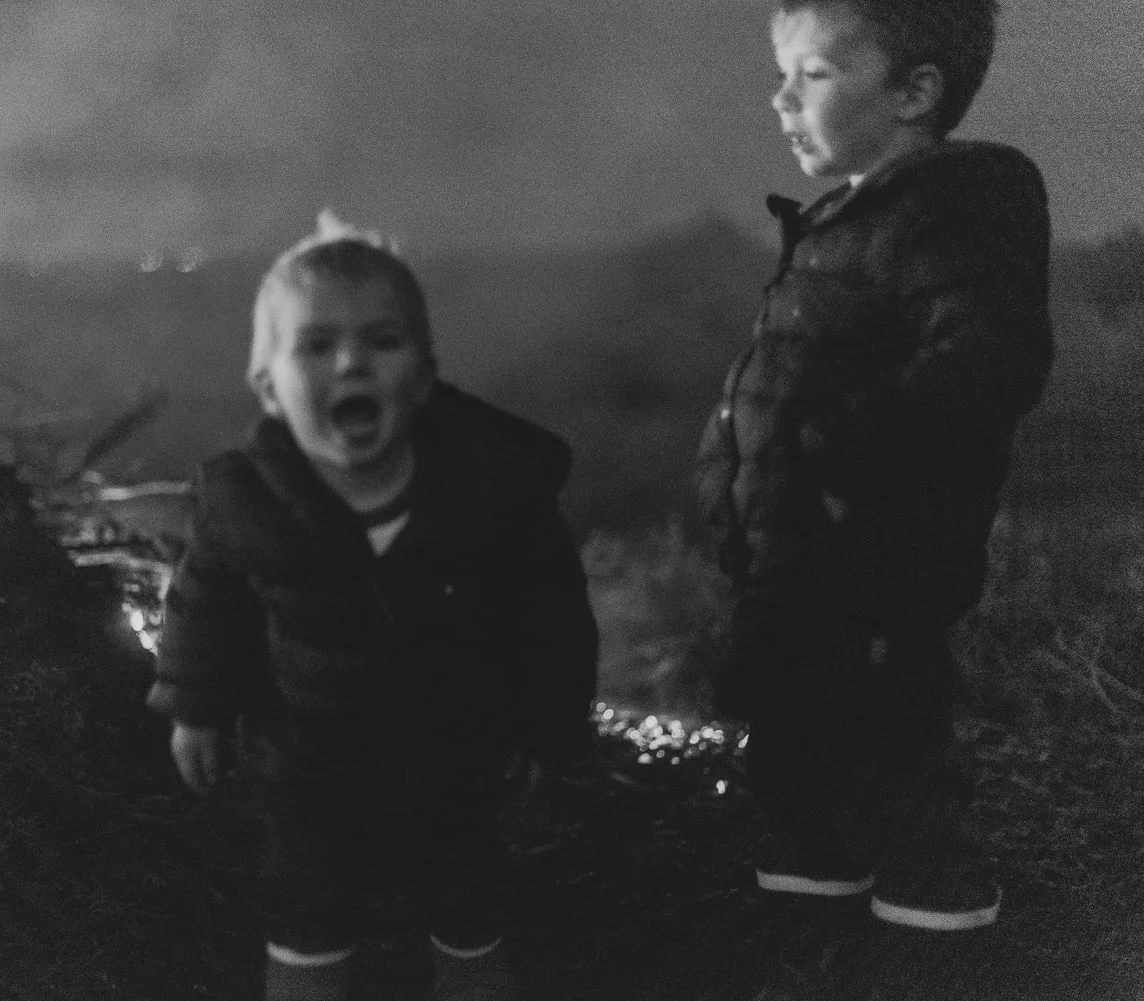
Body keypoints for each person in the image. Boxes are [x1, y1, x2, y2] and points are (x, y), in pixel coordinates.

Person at [147, 211, 599, 1000]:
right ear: (269, 387)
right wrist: (197, 708)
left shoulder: (493, 493)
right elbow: (206, 602)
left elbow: (551, 616)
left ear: (423, 376)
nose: (351, 361)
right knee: (305, 903)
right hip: (308, 761)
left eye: (382, 341)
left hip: (456, 753)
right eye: (315, 345)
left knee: (468, 892)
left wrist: (546, 725)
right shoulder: (243, 503)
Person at [694, 0, 1052, 932]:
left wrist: (835, 457)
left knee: (894, 748)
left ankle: (937, 935)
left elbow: (991, 357)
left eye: (813, 74)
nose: (782, 99)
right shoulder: (833, 225)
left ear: (915, 92)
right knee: (793, 751)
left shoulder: (957, 208)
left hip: (880, 561)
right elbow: (776, 373)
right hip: (792, 559)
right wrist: (722, 471)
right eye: (781, 74)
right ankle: (815, 920)